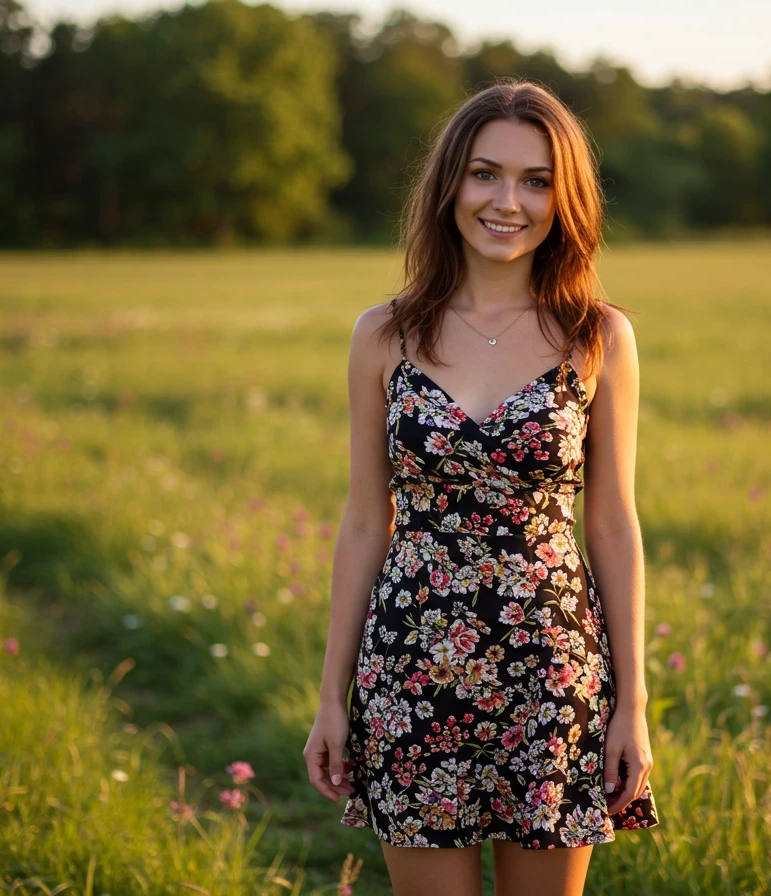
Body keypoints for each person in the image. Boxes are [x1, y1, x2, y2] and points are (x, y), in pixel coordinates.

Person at [304, 78, 660, 896]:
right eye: (484, 173)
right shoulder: (384, 333)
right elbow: (365, 522)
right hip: (410, 672)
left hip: (553, 672)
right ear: (449, 186)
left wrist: (631, 703)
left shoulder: (598, 335)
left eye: (536, 180)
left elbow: (611, 524)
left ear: (563, 197)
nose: (509, 201)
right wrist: (331, 698)